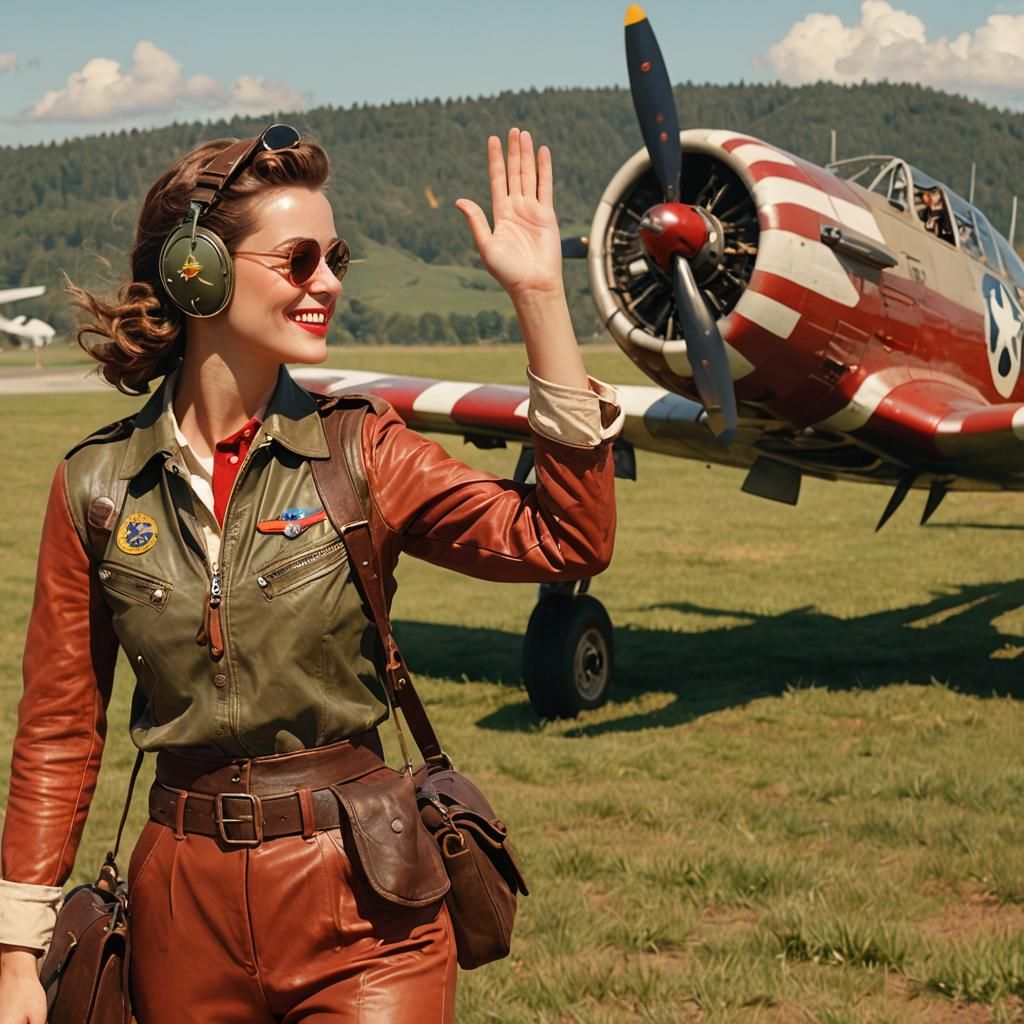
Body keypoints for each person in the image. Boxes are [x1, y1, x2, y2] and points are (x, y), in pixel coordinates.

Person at [0, 124, 622, 1023]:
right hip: (182, 912)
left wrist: (538, 299)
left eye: (335, 257)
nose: (327, 282)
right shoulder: (94, 485)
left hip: (369, 901)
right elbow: (59, 727)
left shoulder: (363, 449)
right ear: (197, 273)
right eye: (298, 260)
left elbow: (564, 539)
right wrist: (19, 947)